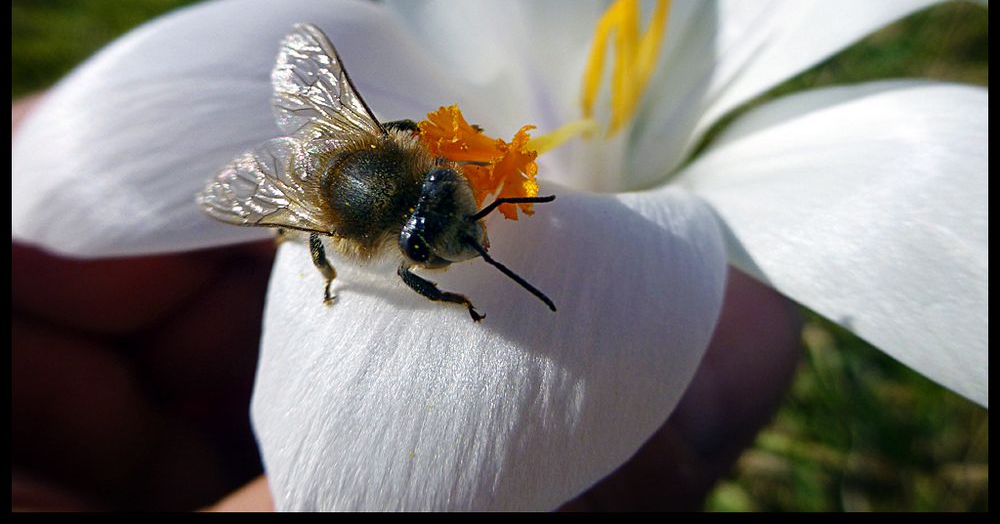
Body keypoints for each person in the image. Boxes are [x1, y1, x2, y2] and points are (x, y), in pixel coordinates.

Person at [12, 96, 802, 511]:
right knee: (325, 248)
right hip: (336, 194)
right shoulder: (335, 220)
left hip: (370, 162)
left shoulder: (421, 171)